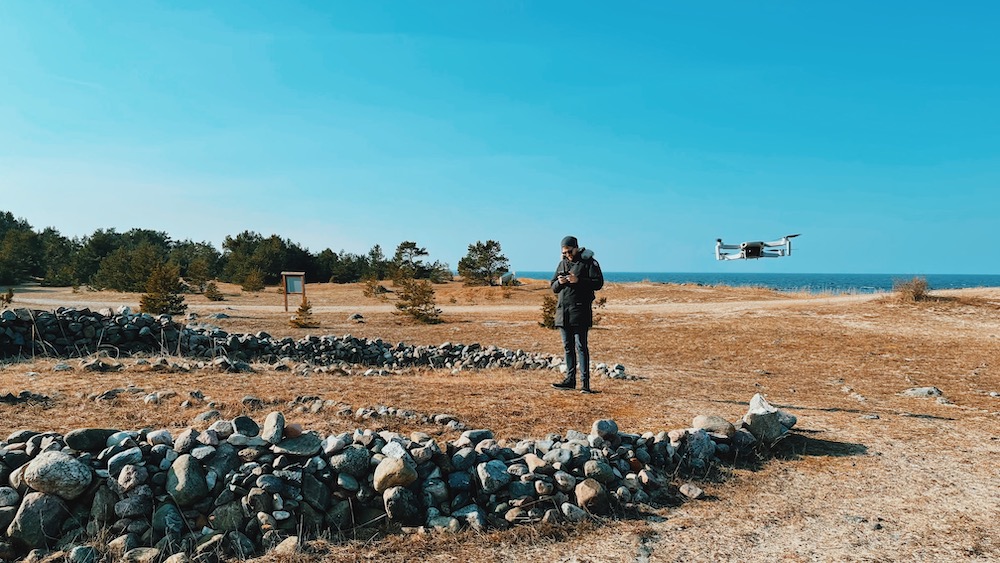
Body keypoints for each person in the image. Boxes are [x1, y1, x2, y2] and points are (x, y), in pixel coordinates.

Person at [551, 235, 604, 393]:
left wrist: (578, 281)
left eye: (569, 251)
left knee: (581, 347)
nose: (567, 255)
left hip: (580, 312)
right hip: (563, 312)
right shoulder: (562, 263)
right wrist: (559, 283)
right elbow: (552, 287)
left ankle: (585, 384)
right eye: (564, 252)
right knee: (568, 347)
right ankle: (570, 380)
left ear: (576, 248)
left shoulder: (589, 262)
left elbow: (598, 283)